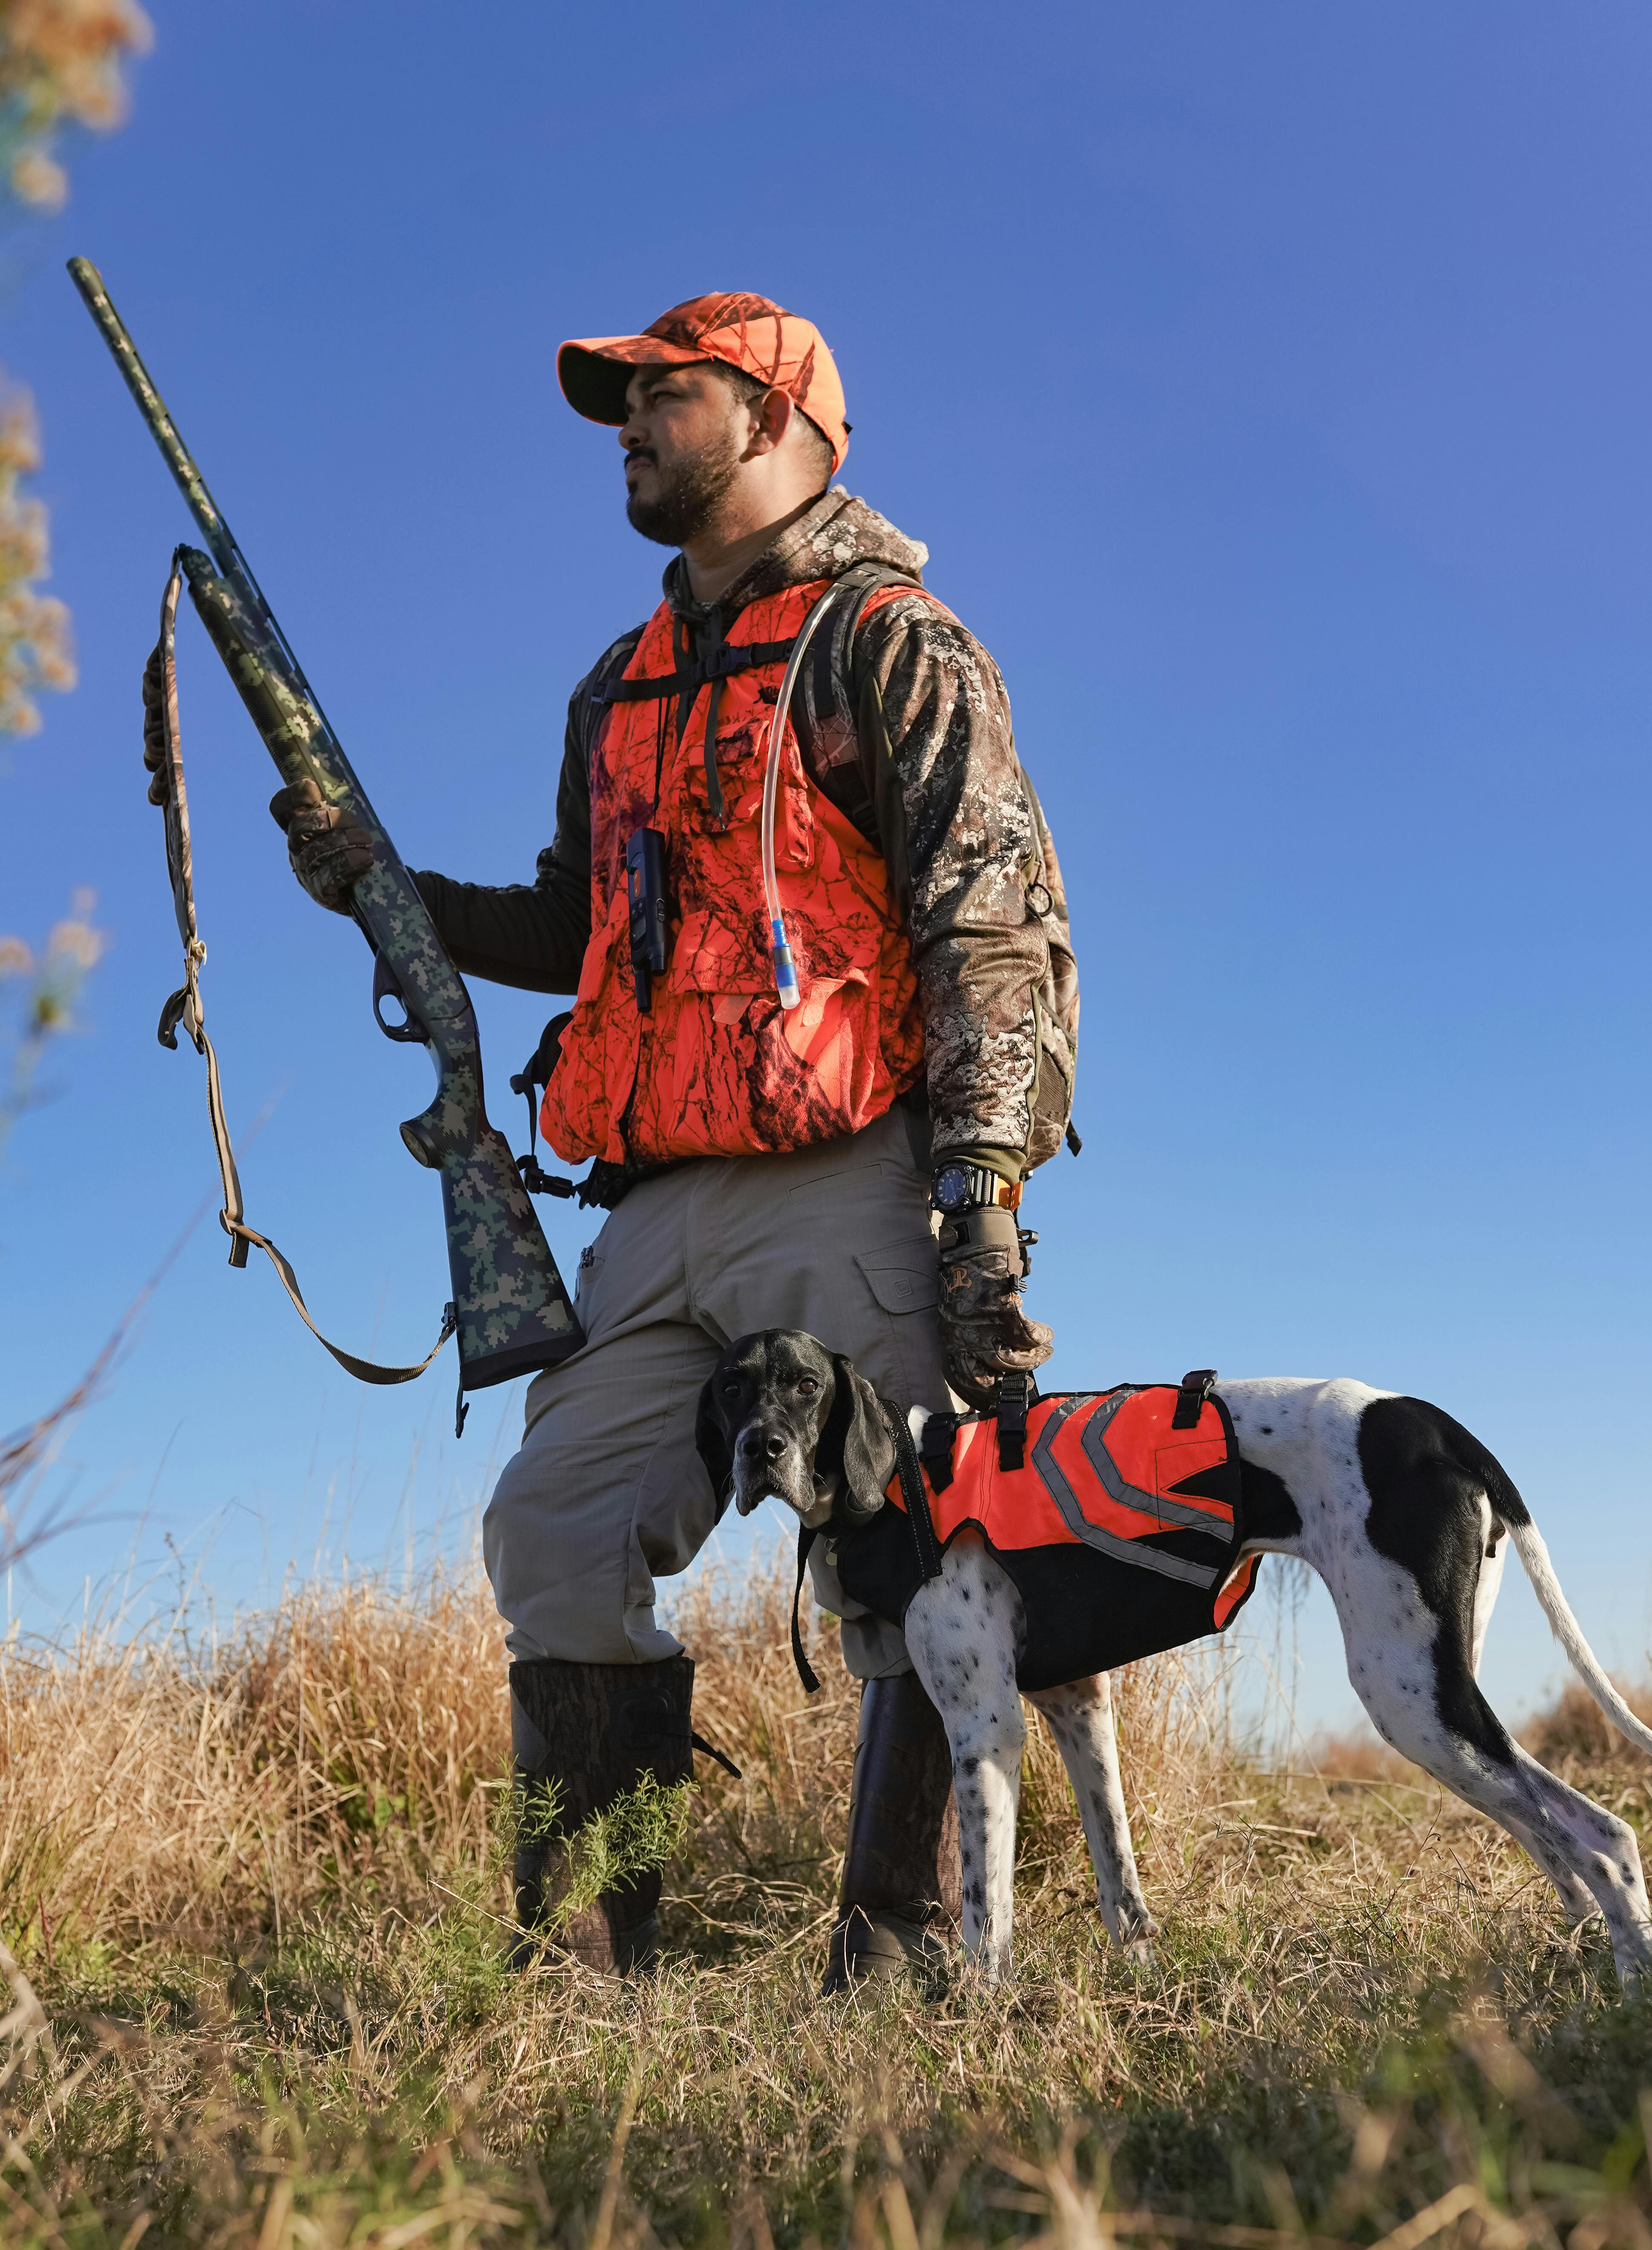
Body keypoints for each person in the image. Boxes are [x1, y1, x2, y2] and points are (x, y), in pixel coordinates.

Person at [270, 291, 1078, 1984]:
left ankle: (899, 1959)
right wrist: (385, 892)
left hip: (846, 1171)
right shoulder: (615, 688)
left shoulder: (891, 641)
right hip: (649, 1205)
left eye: (664, 394)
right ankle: (584, 1982)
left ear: (774, 416)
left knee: (909, 1543)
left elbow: (992, 925)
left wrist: (983, 1200)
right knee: (553, 1537)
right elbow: (580, 927)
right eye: (621, 400)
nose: (625, 423)